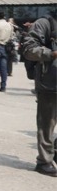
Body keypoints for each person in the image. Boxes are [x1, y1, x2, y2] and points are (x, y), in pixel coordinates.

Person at [22, 12, 57, 177]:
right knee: (47, 125)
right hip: (50, 82)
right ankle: (44, 161)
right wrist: (51, 54)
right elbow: (29, 49)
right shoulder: (44, 23)